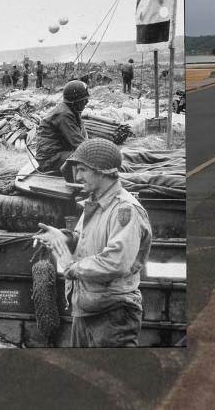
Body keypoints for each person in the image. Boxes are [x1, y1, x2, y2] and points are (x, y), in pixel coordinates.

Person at [33, 138, 152, 347]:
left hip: (112, 317)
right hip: (88, 311)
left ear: (103, 170)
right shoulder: (96, 203)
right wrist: (64, 238)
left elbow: (116, 261)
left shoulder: (125, 210)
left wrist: (71, 267)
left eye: (82, 170)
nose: (77, 177)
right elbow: (84, 240)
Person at [31, 80, 89, 175]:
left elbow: (83, 139)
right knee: (88, 159)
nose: (87, 102)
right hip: (50, 161)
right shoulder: (64, 115)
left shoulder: (72, 111)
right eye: (84, 99)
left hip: (59, 155)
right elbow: (79, 144)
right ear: (75, 101)